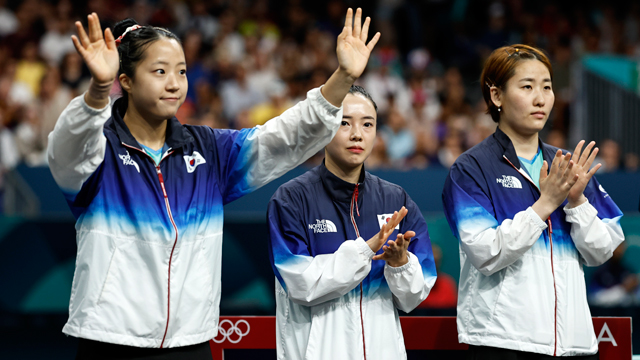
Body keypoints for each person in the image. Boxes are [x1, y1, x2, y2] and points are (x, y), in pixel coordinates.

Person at [47, 9, 379, 359]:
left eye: (182, 71)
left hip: (192, 342)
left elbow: (283, 137)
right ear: (125, 80)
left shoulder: (209, 151)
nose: (174, 83)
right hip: (109, 342)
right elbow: (67, 151)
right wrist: (98, 90)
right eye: (160, 72)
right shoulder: (100, 152)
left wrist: (342, 78)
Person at [442, 44, 624, 359]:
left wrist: (577, 201)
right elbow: (487, 253)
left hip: (572, 343)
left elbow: (603, 250)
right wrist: (546, 203)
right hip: (503, 342)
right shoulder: (470, 168)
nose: (540, 98)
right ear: (497, 96)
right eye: (527, 87)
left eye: (547, 87)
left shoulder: (567, 165)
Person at [267, 85, 437, 360]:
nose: (357, 133)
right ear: (323, 128)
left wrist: (400, 266)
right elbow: (300, 285)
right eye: (344, 122)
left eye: (367, 124)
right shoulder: (290, 199)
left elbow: (413, 297)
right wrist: (365, 251)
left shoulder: (396, 199)